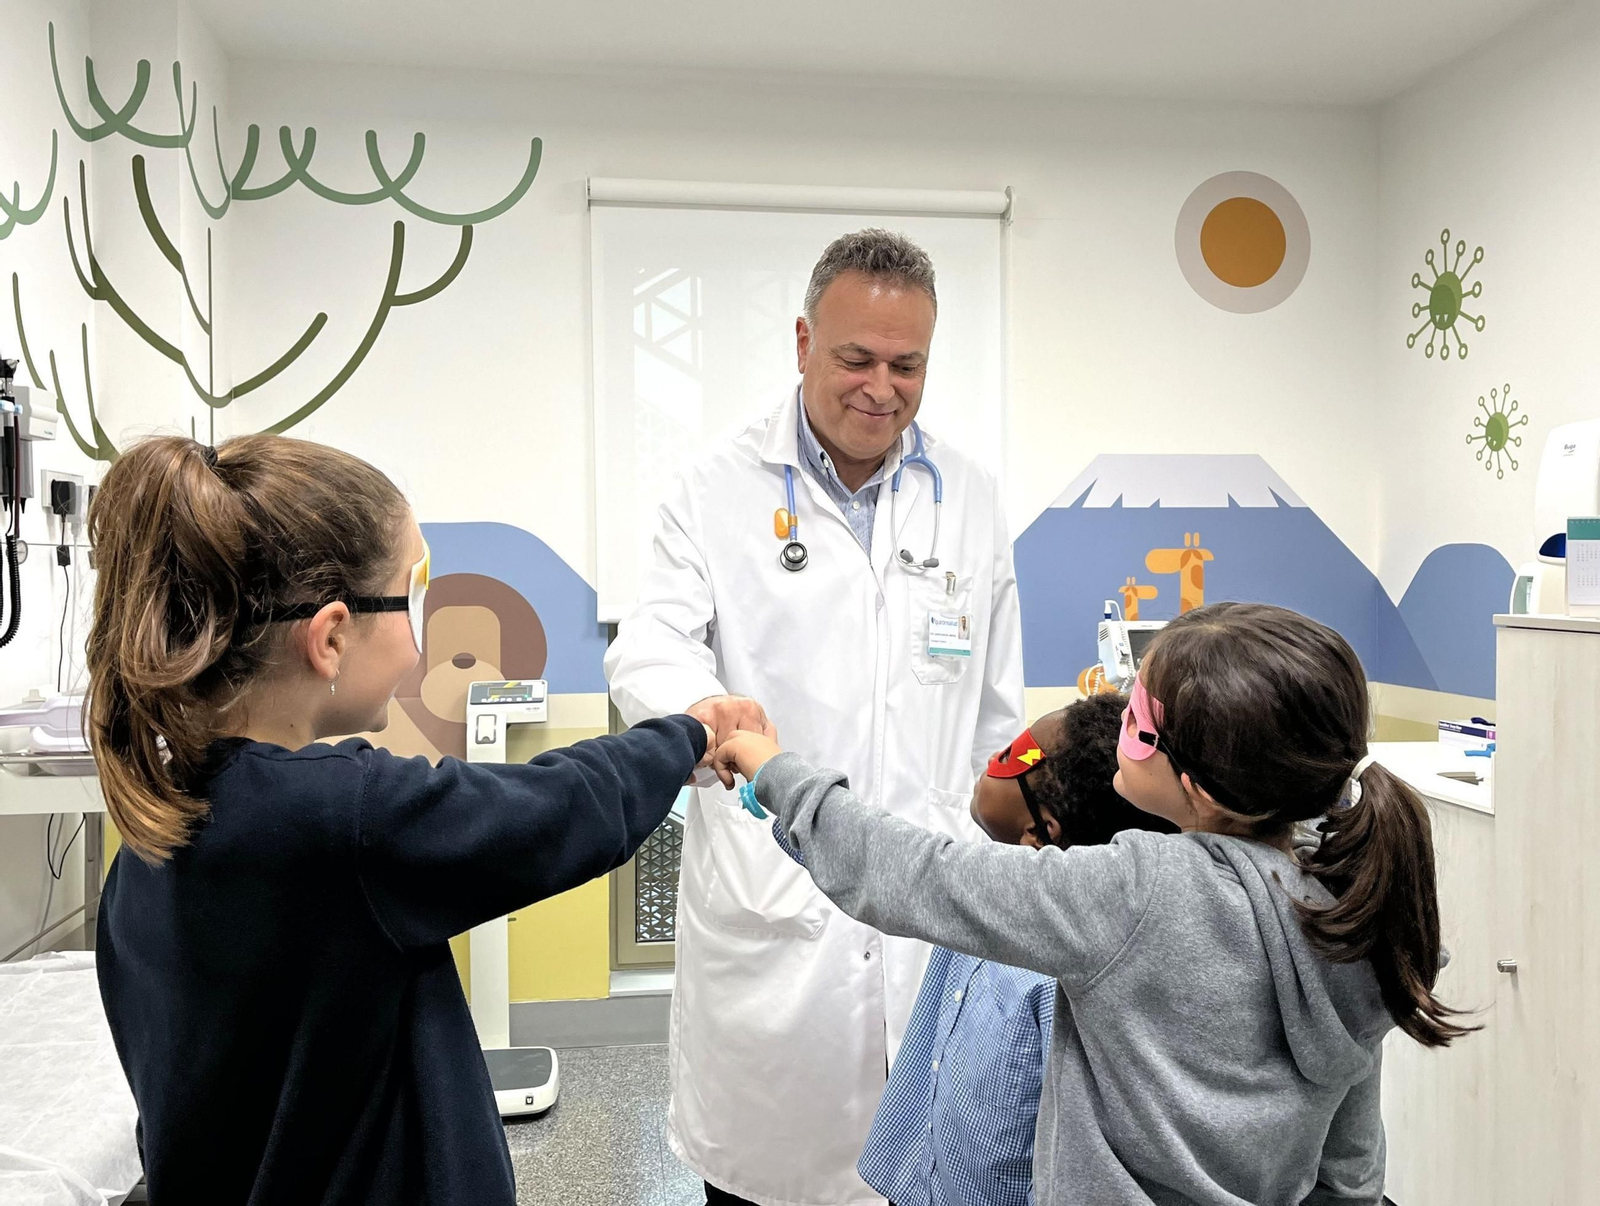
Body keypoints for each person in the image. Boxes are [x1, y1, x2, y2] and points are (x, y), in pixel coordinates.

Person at [85, 435, 715, 1206]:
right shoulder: (340, 818)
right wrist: (691, 732)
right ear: (331, 636)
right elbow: (562, 811)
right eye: (416, 598)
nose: (421, 641)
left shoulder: (153, 829)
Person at [713, 602, 1472, 1206]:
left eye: (1139, 723)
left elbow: (912, 875)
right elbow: (1350, 1159)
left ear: (1200, 787)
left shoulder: (1136, 893)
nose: (1117, 728)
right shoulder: (1355, 899)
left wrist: (777, 774)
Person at [605, 228, 1025, 1206]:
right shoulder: (710, 489)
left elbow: (994, 716)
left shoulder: (967, 497)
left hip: (929, 920)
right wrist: (700, 707)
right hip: (777, 916)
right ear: (802, 343)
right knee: (771, 1186)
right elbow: (647, 648)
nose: (882, 386)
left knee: (929, 1170)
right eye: (856, 359)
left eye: (907, 364)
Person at [859, 692, 1176, 1206]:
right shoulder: (982, 900)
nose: (994, 760)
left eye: (1014, 756)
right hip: (921, 1179)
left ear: (1040, 830)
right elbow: (932, 1059)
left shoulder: (1060, 980)